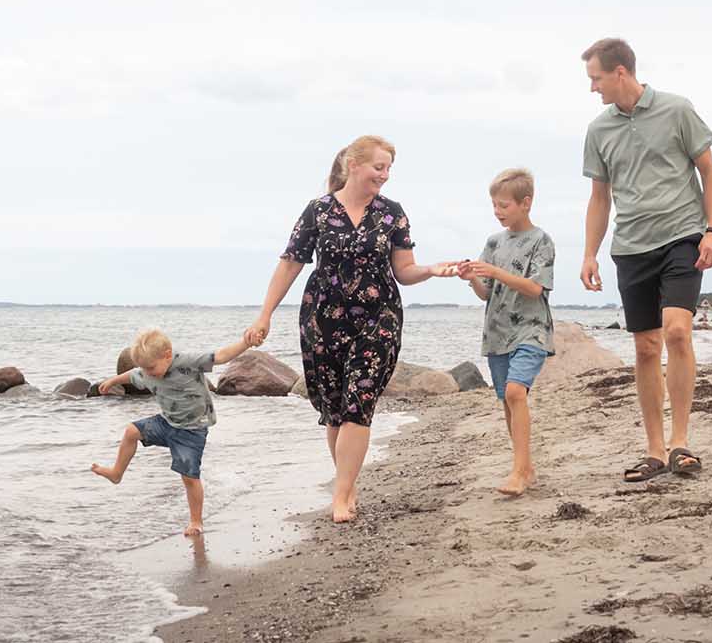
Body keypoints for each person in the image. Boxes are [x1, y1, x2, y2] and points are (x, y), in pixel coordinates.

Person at [243, 135, 459, 523]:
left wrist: (431, 270)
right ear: (353, 165)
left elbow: (404, 271)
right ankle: (348, 481)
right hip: (323, 319)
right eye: (380, 167)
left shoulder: (391, 213)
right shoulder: (318, 211)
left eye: (389, 168)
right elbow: (290, 264)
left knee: (359, 401)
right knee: (335, 409)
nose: (385, 176)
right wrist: (265, 315)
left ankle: (340, 496)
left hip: (379, 319)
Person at [577, 38, 712, 482]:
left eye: (595, 79)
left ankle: (682, 443)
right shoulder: (598, 130)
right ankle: (655, 449)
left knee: (678, 332)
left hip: (683, 236)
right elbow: (599, 197)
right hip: (631, 247)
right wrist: (589, 253)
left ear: (620, 72)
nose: (592, 88)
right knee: (645, 348)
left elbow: (710, 171)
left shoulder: (677, 109)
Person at [93, 328, 255, 536]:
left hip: (192, 431)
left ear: (168, 354)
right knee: (131, 431)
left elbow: (220, 356)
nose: (147, 373)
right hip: (166, 423)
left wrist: (246, 343)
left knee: (189, 477)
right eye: (144, 369)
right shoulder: (147, 372)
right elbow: (133, 375)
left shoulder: (187, 362)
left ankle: (196, 521)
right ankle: (116, 473)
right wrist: (112, 381)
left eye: (150, 367)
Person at [456, 168, 556, 496]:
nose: (498, 212)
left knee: (516, 393)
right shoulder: (493, 242)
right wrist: (471, 277)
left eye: (504, 206)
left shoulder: (541, 241)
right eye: (494, 206)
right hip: (497, 333)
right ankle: (525, 466)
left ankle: (518, 471)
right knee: (507, 401)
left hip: (531, 330)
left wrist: (497, 271)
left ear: (525, 203)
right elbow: (486, 293)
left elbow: (534, 288)